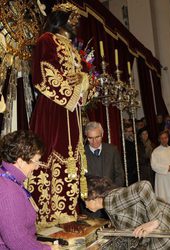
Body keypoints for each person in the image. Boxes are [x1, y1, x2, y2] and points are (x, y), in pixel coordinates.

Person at [29, 3, 90, 226]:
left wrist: (82, 80)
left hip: (71, 113)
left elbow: (84, 78)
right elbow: (43, 74)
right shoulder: (46, 40)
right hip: (53, 110)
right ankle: (48, 214)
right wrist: (71, 91)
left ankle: (68, 210)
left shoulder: (74, 49)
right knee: (52, 153)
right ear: (61, 18)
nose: (76, 22)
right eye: (72, 17)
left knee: (71, 159)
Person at [85, 175, 170, 250]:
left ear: (94, 194)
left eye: (84, 200)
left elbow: (144, 187)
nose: (85, 205)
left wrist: (155, 221)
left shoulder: (110, 201)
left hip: (169, 229)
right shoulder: (110, 202)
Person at [0, 130, 58, 250]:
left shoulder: (7, 177)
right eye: (36, 161)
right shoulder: (8, 191)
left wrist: (39, 245)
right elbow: (17, 241)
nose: (37, 166)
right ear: (20, 161)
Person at [84, 121, 124, 187]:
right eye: (90, 138)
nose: (94, 141)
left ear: (102, 135)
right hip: (92, 195)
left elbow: (119, 175)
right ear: (86, 137)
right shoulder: (81, 153)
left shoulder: (112, 150)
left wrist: (114, 190)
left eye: (97, 137)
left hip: (112, 192)